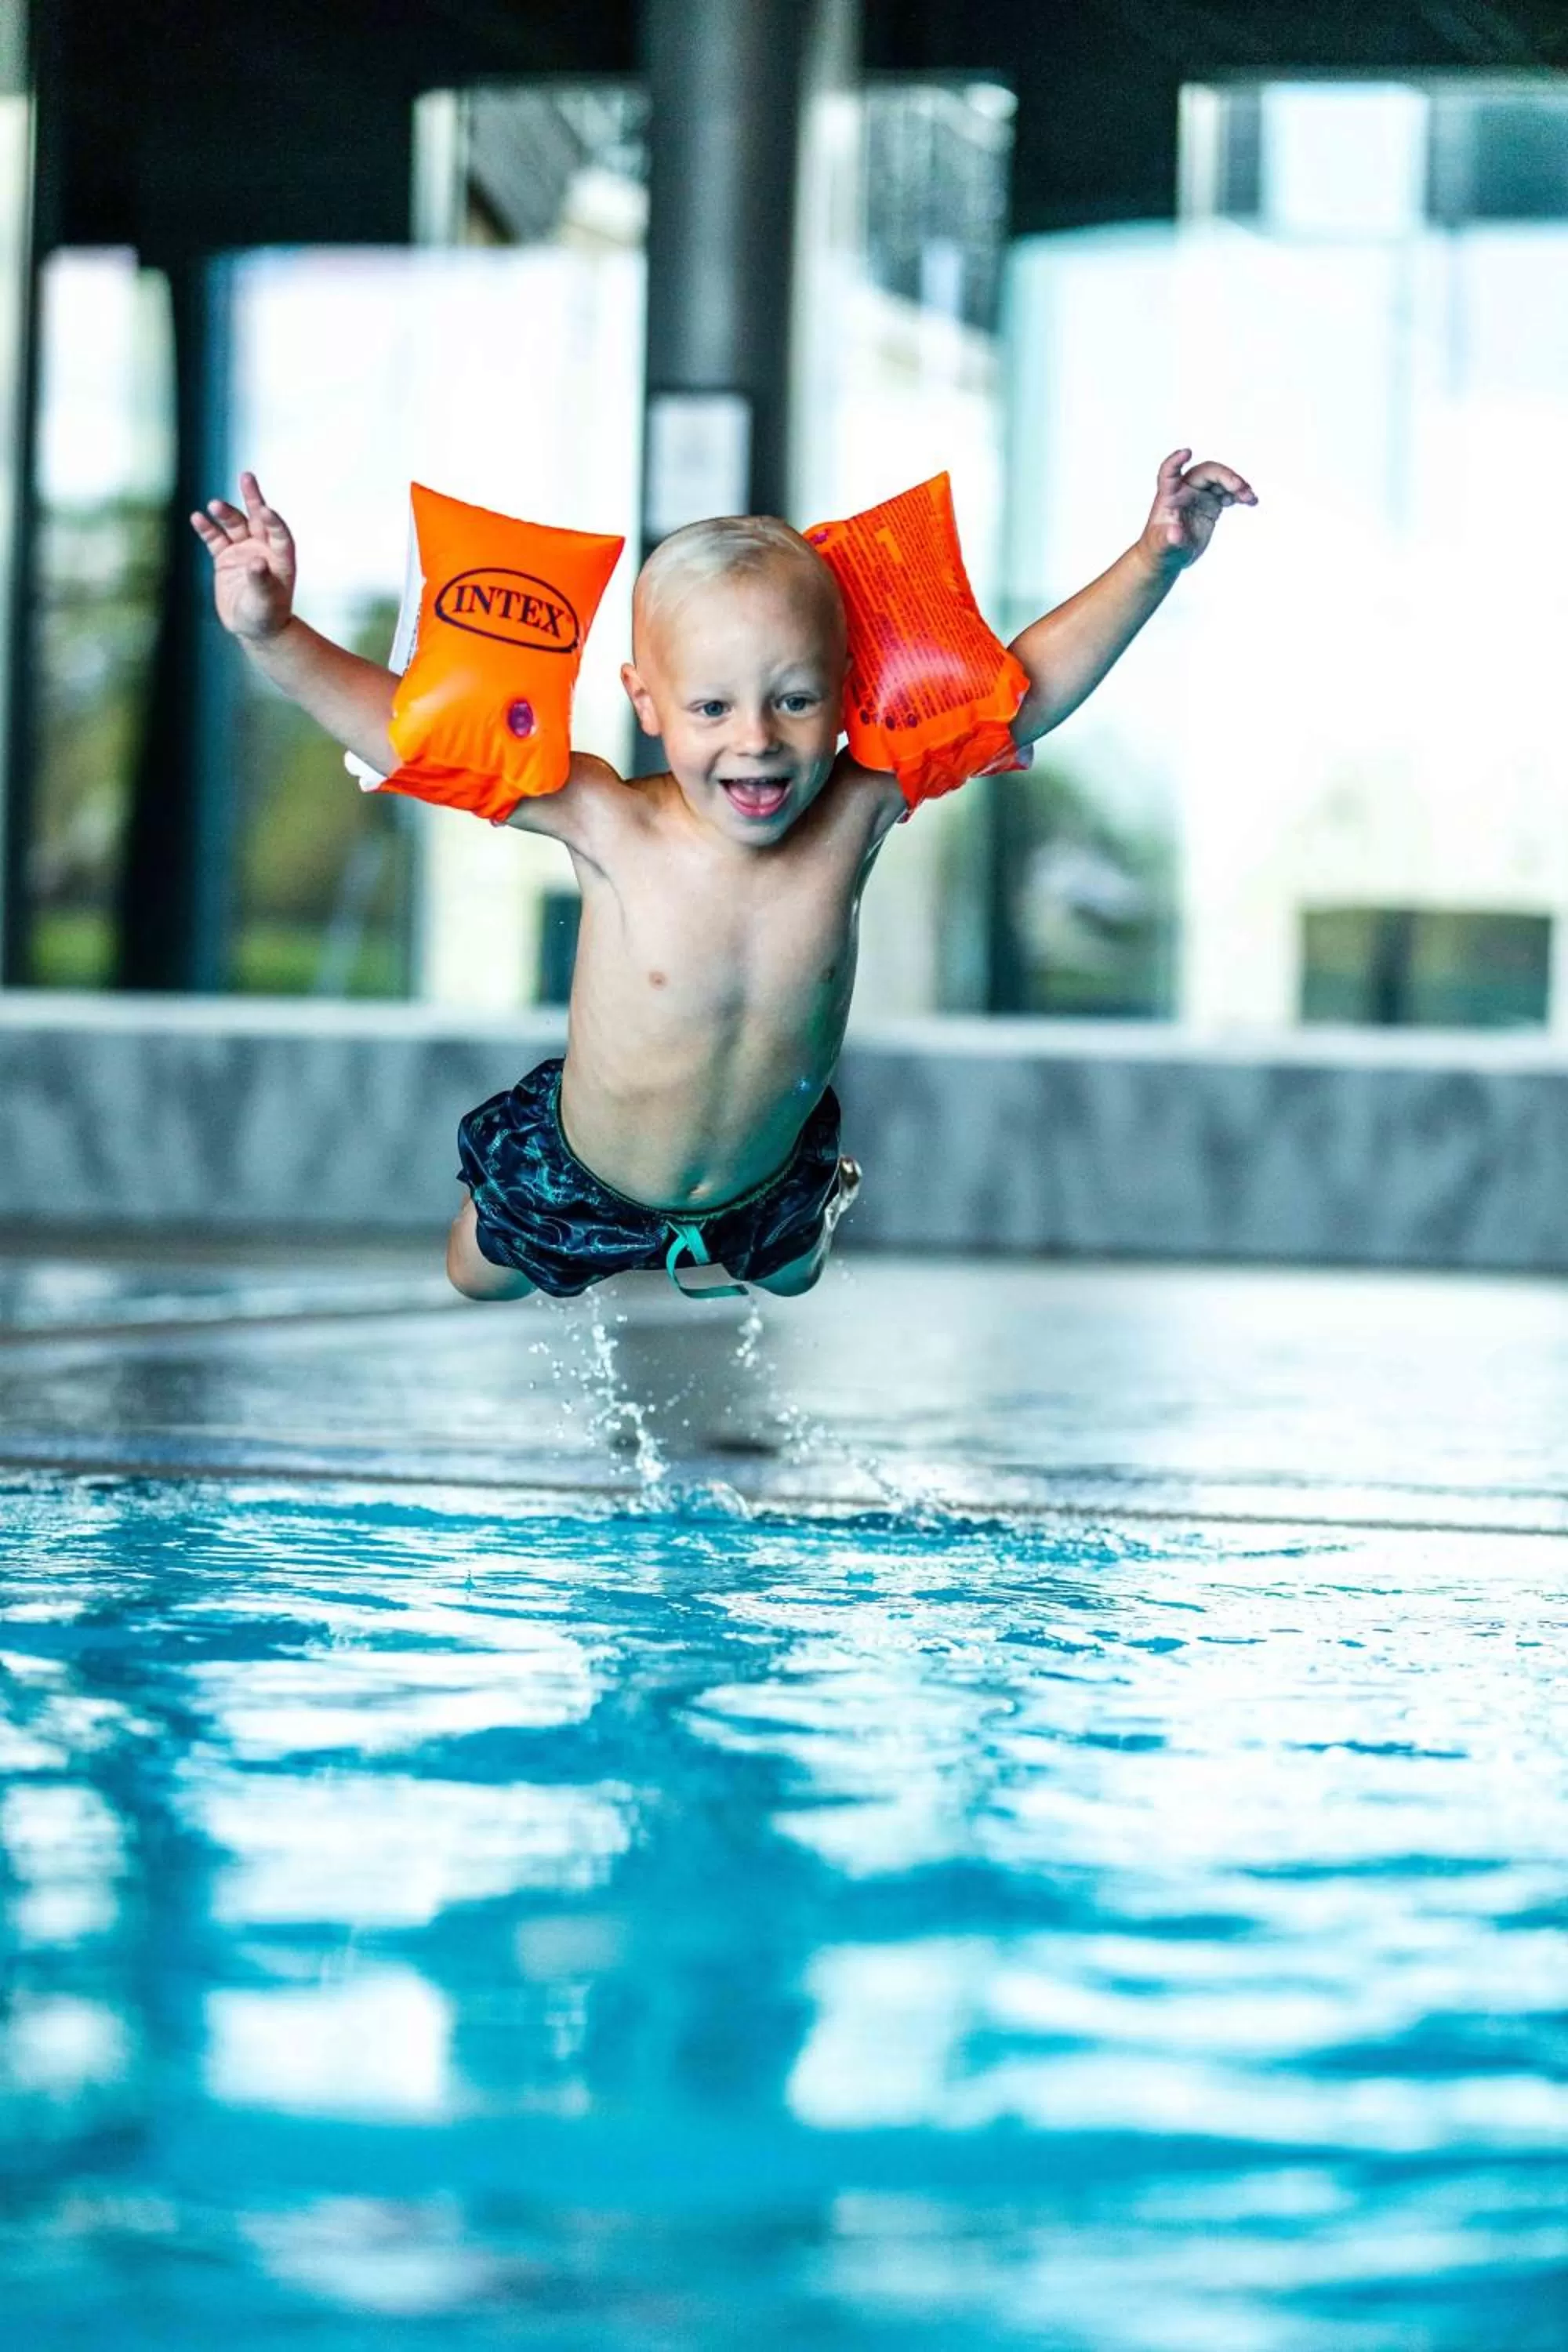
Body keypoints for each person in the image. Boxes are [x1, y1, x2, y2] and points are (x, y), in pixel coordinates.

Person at [191, 449, 1255, 1301]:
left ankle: (808, 1203)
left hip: (763, 1177)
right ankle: (590, 1212)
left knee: (789, 1273)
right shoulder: (610, 821)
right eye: (711, 709)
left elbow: (1021, 692)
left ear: (846, 694)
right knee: (475, 1276)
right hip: (586, 1172)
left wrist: (1155, 558)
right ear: (645, 701)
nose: (755, 739)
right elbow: (407, 740)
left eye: (793, 701)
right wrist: (276, 633)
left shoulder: (855, 811)